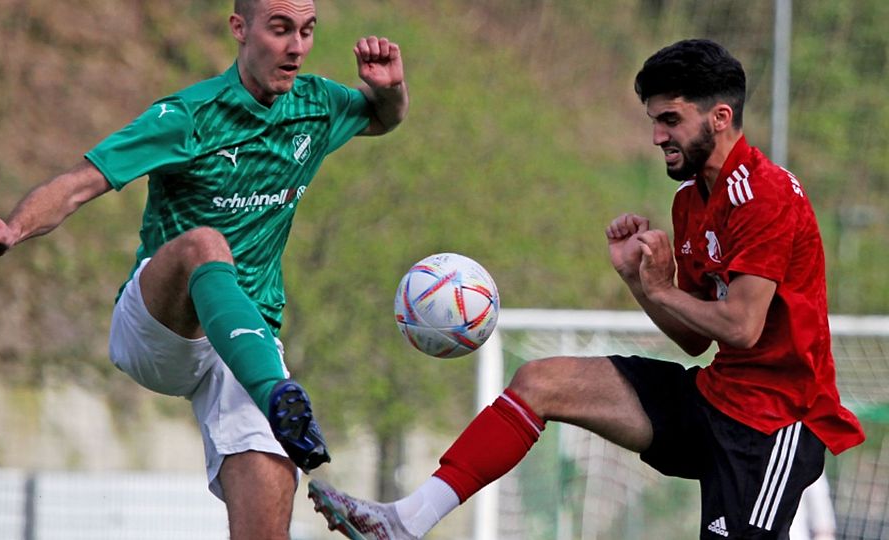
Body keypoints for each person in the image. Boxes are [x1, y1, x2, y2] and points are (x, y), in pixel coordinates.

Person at [307, 38, 864, 539]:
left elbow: (741, 328)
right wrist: (640, 283)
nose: (656, 136)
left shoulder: (765, 194)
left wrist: (665, 290)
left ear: (720, 117)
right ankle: (404, 523)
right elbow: (697, 341)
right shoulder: (692, 199)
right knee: (540, 381)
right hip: (716, 399)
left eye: (670, 119)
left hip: (775, 427)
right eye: (653, 120)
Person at [0, 0, 408, 538]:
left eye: (308, 31)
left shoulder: (316, 107)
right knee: (203, 244)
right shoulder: (189, 116)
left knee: (267, 525)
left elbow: (381, 117)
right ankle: (276, 396)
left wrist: (389, 89)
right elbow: (81, 183)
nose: (296, 47)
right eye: (281, 28)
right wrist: (13, 229)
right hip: (158, 328)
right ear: (239, 29)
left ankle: (271, 398)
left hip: (245, 343)